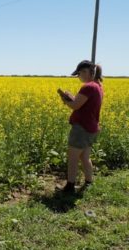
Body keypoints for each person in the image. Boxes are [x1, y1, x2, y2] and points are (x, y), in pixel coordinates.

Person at [58, 60, 103, 193]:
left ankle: (69, 187)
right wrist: (72, 97)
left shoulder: (88, 87)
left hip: (82, 128)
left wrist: (65, 99)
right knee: (84, 157)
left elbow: (75, 106)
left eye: (79, 73)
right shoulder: (97, 86)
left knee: (73, 158)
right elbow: (82, 104)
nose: (79, 77)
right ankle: (89, 182)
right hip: (91, 127)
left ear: (86, 72)